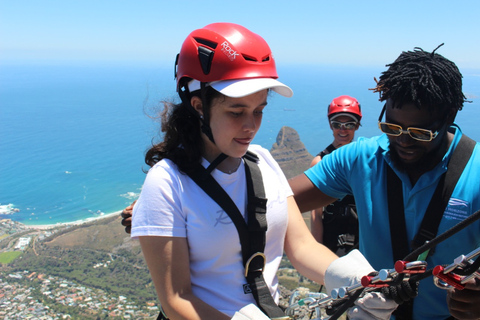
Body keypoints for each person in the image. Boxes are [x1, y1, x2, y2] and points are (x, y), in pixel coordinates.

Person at [127, 22, 397, 320]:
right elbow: (176, 299)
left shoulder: (262, 161)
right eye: (236, 111)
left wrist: (361, 281)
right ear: (198, 106)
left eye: (259, 110)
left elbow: (301, 246)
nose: (250, 127)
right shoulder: (167, 182)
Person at [290, 45, 480, 320]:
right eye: (392, 127)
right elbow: (277, 201)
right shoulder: (361, 159)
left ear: (449, 116)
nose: (403, 141)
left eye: (419, 133)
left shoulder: (474, 173)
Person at [310, 95, 361, 256]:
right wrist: (317, 252)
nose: (342, 129)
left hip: (363, 238)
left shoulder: (364, 158)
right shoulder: (320, 163)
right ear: (330, 125)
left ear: (357, 126)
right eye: (337, 124)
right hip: (334, 241)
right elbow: (315, 214)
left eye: (349, 124)